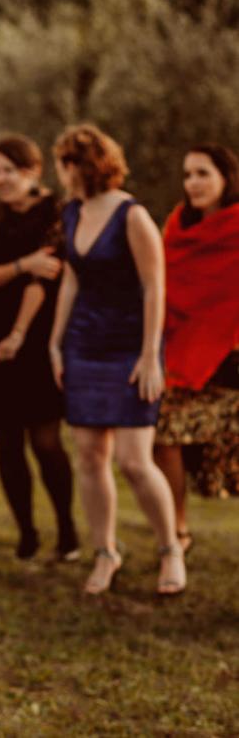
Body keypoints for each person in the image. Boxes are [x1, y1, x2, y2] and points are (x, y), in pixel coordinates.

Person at [48, 124, 184, 595]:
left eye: (63, 163)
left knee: (133, 460)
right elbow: (71, 278)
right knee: (89, 455)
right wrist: (55, 342)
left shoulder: (133, 215)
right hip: (84, 344)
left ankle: (170, 548)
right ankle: (105, 552)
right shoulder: (71, 212)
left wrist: (149, 355)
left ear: (80, 165)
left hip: (130, 345)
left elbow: (154, 287)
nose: (60, 173)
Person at [0, 135, 79, 561]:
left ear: (33, 171)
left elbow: (47, 276)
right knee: (7, 440)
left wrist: (20, 333)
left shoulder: (58, 211)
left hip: (40, 332)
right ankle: (27, 533)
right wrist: (23, 264)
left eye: (10, 170)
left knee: (45, 439)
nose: (1, 179)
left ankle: (67, 531)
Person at [155, 144, 239, 539]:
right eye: (188, 175)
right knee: (164, 436)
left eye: (203, 173)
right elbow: (163, 285)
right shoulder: (177, 227)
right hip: (182, 351)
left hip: (230, 356)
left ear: (226, 178)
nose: (193, 183)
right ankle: (177, 531)